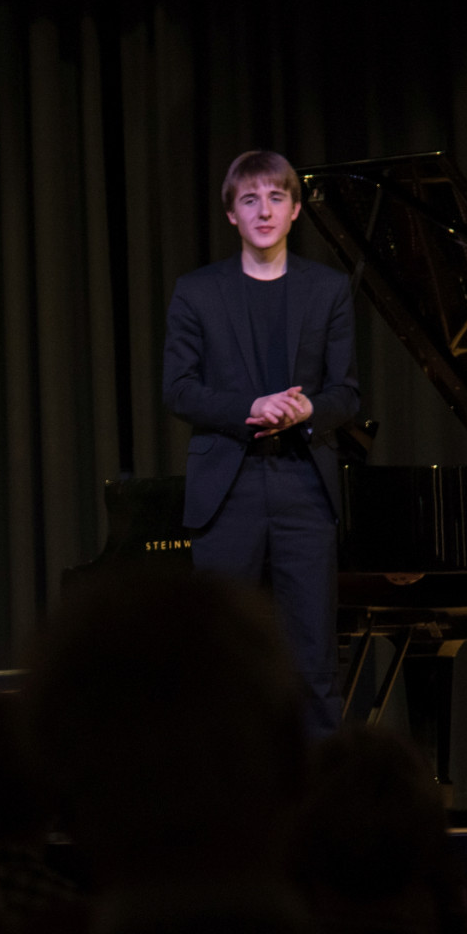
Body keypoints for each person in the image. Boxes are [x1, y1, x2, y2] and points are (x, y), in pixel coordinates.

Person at [162, 149, 360, 738]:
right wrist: (249, 407)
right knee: (220, 658)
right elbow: (178, 389)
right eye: (250, 200)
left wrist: (307, 409)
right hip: (229, 490)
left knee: (314, 662)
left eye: (276, 198)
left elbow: (346, 393)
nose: (264, 211)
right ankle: (221, 788)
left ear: (296, 210)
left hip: (304, 486)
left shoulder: (328, 289)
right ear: (232, 214)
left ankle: (318, 786)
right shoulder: (197, 292)